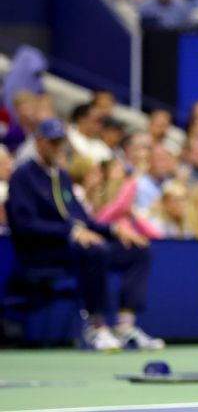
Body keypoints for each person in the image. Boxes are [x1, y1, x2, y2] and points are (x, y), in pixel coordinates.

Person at [4, 119, 163, 351]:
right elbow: (26, 225)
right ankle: (96, 327)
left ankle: (125, 326)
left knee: (138, 250)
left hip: (73, 248)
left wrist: (113, 229)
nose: (58, 148)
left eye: (61, 142)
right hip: (40, 251)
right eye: (53, 142)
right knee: (94, 250)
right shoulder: (23, 175)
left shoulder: (62, 176)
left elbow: (82, 220)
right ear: (39, 142)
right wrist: (72, 232)